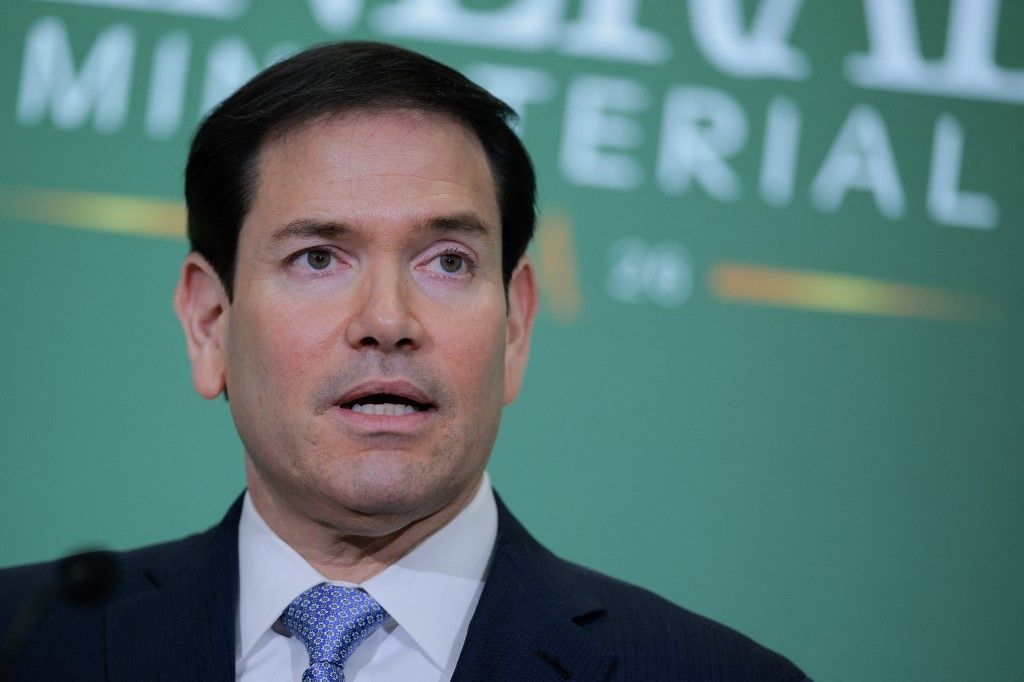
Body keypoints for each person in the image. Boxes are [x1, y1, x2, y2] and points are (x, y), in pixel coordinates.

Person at [0, 41, 809, 681]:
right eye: (319, 258)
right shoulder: (26, 641)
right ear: (211, 322)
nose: (387, 322)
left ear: (516, 323)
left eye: (448, 261)